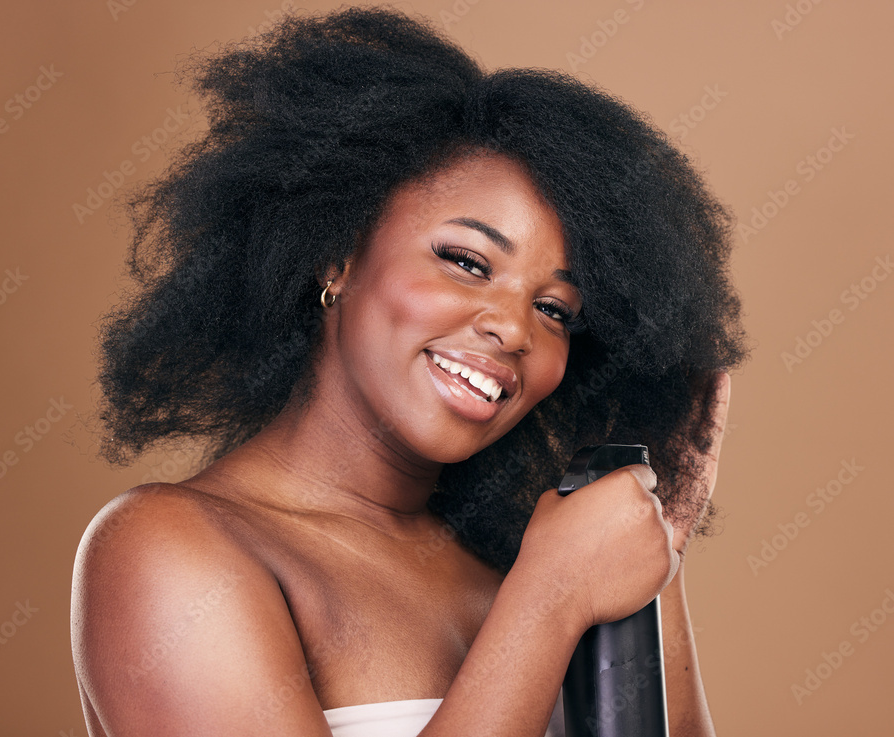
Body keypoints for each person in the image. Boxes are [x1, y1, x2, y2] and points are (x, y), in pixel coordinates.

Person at [70, 6, 748, 736]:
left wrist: (654, 555)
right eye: (465, 261)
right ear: (337, 252)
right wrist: (550, 597)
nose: (513, 328)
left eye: (556, 310)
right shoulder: (167, 549)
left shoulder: (530, 556)